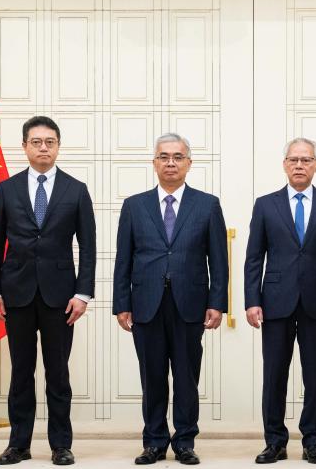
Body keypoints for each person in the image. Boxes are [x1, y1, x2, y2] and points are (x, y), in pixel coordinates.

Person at [0, 116, 96, 466]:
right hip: (15, 293)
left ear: (58, 146)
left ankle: (61, 445)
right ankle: (19, 444)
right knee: (21, 372)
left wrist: (83, 294)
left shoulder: (76, 190)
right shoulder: (7, 189)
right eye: (36, 142)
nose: (43, 147)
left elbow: (89, 247)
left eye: (50, 142)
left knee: (58, 373)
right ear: (24, 147)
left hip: (61, 297)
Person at [113, 133, 229, 466]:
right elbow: (124, 258)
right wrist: (122, 303)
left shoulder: (207, 205)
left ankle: (185, 442)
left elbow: (218, 259)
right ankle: (153, 442)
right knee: (152, 377)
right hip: (146, 303)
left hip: (190, 303)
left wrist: (217, 302)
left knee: (186, 377)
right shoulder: (134, 206)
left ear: (189, 163)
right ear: (154, 163)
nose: (171, 163)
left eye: (178, 157)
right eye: (164, 157)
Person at [244, 138, 316, 465]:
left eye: (306, 160)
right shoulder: (266, 205)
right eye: (294, 160)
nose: (300, 165)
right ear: (285, 164)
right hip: (275, 302)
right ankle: (274, 441)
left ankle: (313, 441)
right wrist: (251, 300)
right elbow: (254, 258)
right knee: (274, 374)